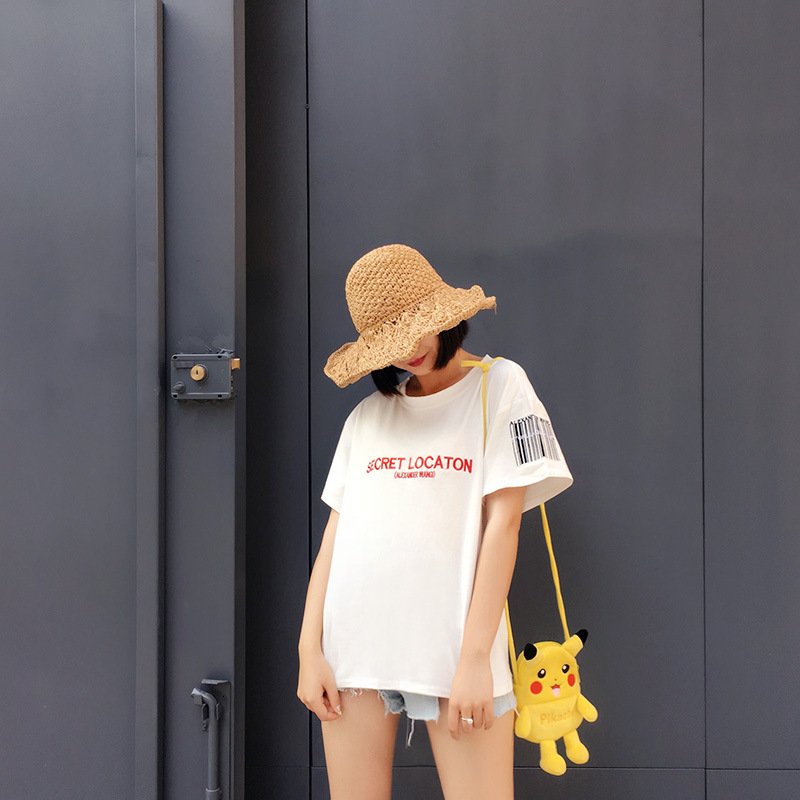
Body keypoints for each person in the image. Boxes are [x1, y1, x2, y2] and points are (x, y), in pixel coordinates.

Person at [297, 244, 573, 800]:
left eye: (414, 330)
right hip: (353, 648)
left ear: (443, 315)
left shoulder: (501, 386)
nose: (408, 352)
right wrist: (308, 650)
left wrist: (474, 659)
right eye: (390, 344)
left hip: (456, 650)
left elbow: (504, 527)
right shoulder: (367, 417)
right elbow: (334, 540)